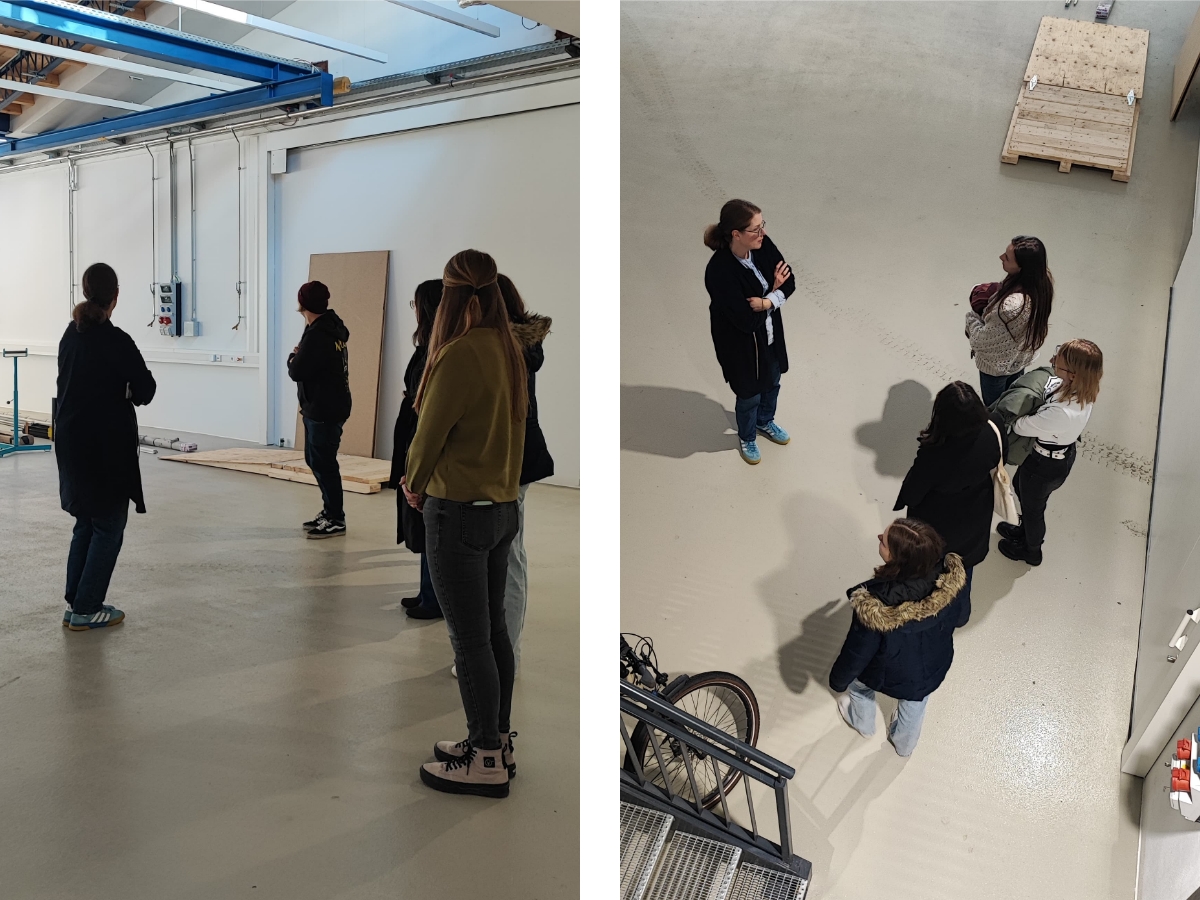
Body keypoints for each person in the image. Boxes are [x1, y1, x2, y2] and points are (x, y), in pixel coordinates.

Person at [403, 249, 526, 798]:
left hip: (457, 513)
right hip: (502, 509)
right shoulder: (509, 348)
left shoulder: (457, 353)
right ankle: (496, 740)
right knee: (494, 632)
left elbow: (428, 434)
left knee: (469, 641)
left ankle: (485, 759)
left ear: (450, 295)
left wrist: (413, 481)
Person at [55, 262, 156, 631]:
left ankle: (75, 603)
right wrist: (125, 389)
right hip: (105, 449)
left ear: (86, 292)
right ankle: (87, 607)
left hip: (70, 442)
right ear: (116, 296)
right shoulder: (116, 341)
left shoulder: (70, 335)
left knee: (86, 521)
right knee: (109, 525)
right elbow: (146, 389)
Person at [829, 519, 968, 756]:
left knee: (859, 687)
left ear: (896, 558)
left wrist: (838, 681)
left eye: (884, 541)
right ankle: (904, 746)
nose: (878, 538)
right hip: (933, 662)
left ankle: (863, 724)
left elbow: (857, 652)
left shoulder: (875, 607)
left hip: (888, 670)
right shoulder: (951, 579)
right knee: (915, 702)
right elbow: (960, 616)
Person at [893, 381, 1005, 623]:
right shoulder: (994, 426)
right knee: (964, 567)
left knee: (933, 573)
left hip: (938, 522)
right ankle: (960, 614)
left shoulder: (936, 451)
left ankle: (938, 617)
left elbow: (914, 492)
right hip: (976, 512)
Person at [704, 199, 796, 466]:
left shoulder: (762, 245)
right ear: (736, 234)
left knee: (772, 383)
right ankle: (747, 435)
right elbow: (746, 323)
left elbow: (789, 281)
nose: (762, 233)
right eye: (755, 229)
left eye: (762, 225)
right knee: (749, 395)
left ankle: (765, 421)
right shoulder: (719, 272)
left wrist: (767, 301)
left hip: (770, 336)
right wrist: (775, 293)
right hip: (740, 347)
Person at [995, 340, 1103, 566]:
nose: (1051, 361)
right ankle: (1024, 531)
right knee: (1022, 492)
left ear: (1073, 375)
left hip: (1044, 466)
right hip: (1053, 456)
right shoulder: (1081, 390)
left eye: (1057, 363)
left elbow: (1021, 426)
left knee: (1034, 510)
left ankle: (1031, 551)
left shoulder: (1062, 413)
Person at [496, 273, 554, 674]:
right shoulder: (519, 344)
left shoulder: (507, 347)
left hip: (511, 462)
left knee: (510, 561)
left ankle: (507, 657)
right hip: (514, 461)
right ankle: (502, 654)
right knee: (507, 558)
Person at [390, 280, 445, 620]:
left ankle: (434, 599)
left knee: (427, 520)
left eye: (415, 305)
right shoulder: (428, 344)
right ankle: (428, 593)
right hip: (413, 433)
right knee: (423, 522)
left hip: (421, 437)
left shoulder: (438, 348)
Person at [287, 281, 351, 539]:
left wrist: (293, 357)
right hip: (327, 406)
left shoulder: (317, 335)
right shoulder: (331, 328)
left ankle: (336, 518)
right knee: (316, 461)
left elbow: (297, 371)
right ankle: (330, 511)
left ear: (302, 303)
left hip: (324, 409)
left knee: (324, 464)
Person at [965, 236, 1054, 406]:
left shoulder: (1011, 307)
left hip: (996, 367)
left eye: (1007, 257)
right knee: (1012, 402)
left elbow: (981, 341)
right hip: (1019, 359)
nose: (1001, 257)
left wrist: (971, 318)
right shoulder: (1042, 283)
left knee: (995, 408)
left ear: (1022, 267)